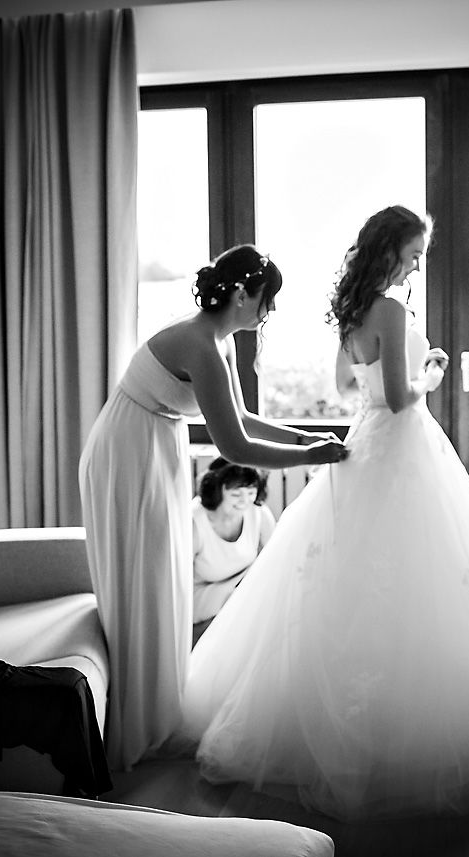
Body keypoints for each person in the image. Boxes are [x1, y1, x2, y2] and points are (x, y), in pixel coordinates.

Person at [181, 206, 469, 821]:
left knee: (346, 580)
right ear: (392, 249)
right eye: (415, 254)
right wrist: (432, 372)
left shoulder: (352, 310)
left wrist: (387, 380)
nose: (418, 266)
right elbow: (401, 399)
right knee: (429, 572)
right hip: (401, 445)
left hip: (362, 442)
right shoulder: (393, 310)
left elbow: (349, 388)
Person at [78, 244, 348, 771]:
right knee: (145, 579)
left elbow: (242, 416)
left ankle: (158, 712)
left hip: (157, 443)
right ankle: (134, 721)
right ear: (243, 293)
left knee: (164, 579)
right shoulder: (198, 343)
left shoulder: (217, 341)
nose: (270, 311)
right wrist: (307, 458)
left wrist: (304, 438)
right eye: (267, 299)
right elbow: (235, 446)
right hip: (128, 451)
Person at [191, 458, 277, 642]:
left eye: (251, 493)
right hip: (203, 594)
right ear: (217, 490)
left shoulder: (258, 512)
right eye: (236, 494)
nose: (245, 501)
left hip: (243, 586)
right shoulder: (195, 521)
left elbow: (276, 558)